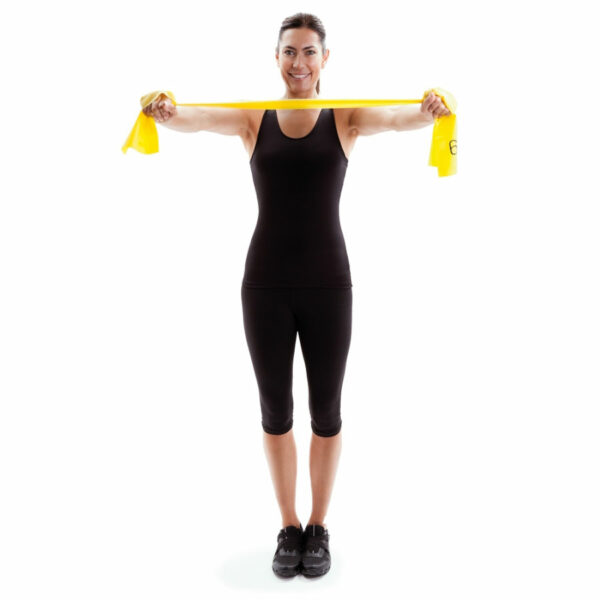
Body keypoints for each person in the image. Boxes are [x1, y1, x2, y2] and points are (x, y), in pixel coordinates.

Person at [142, 11, 450, 580]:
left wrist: (428, 111)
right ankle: (288, 527)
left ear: (325, 59)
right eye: (289, 52)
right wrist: (166, 111)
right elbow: (197, 118)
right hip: (264, 284)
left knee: (327, 413)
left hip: (330, 284)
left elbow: (399, 118)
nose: (299, 63)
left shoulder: (347, 116)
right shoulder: (254, 119)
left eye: (309, 52)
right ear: (276, 58)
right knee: (276, 413)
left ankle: (318, 525)